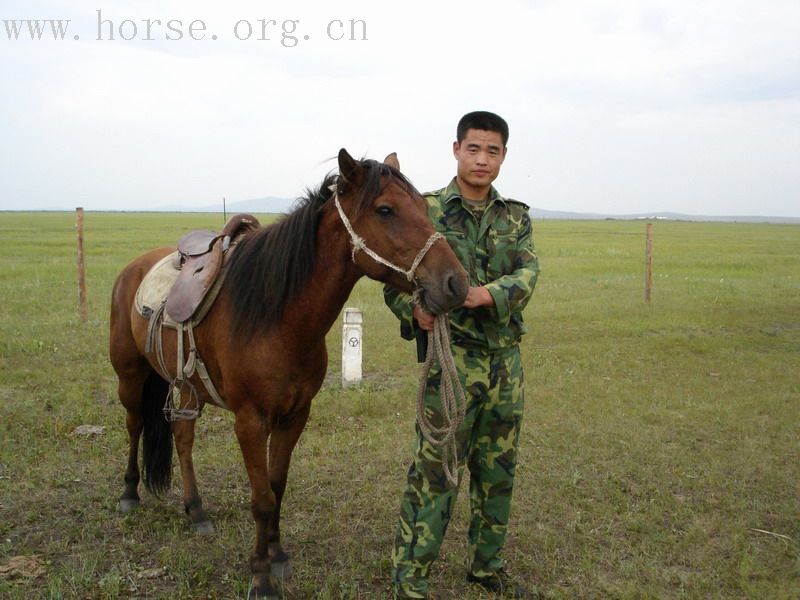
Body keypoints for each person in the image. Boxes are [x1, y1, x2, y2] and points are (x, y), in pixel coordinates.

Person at [384, 111, 540, 599]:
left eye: (492, 151)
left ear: (503, 157)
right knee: (434, 473)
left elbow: (528, 273)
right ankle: (410, 580)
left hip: (504, 366)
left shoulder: (515, 216)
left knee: (498, 472)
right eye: (474, 149)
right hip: (452, 364)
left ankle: (486, 566)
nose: (482, 159)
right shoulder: (425, 210)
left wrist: (483, 295)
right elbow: (396, 277)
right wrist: (414, 311)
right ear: (456, 150)